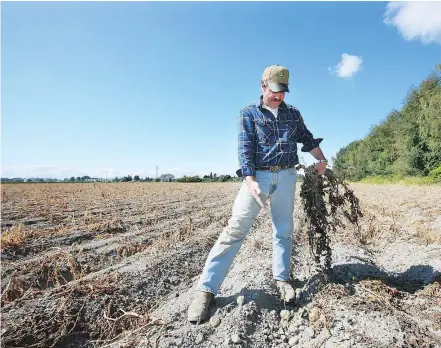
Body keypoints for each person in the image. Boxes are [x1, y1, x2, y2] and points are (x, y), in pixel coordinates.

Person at [187, 64, 327, 323]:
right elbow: (245, 149)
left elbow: (307, 139)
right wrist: (250, 180)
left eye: (283, 91)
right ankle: (205, 290)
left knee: (284, 229)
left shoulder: (293, 114)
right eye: (274, 90)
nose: (279, 96)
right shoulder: (248, 114)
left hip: (287, 176)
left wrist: (322, 160)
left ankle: (282, 280)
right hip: (258, 178)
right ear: (263, 86)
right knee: (235, 229)